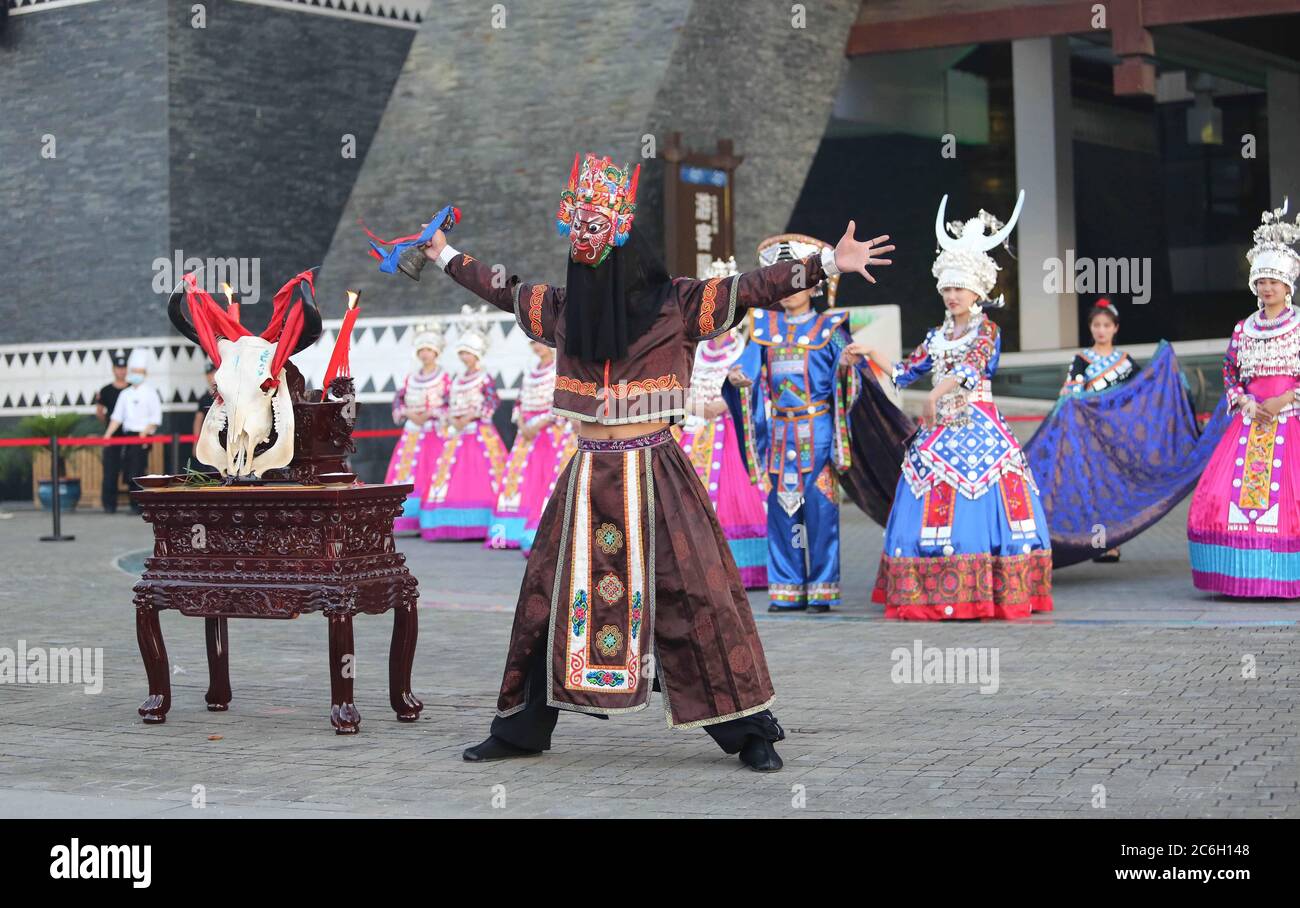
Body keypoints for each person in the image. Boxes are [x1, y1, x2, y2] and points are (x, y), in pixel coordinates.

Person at [416, 151, 893, 771]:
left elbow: (751, 287)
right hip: (588, 473)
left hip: (656, 470)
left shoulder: (678, 305)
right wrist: (445, 255)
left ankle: (749, 732)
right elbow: (502, 289)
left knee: (700, 596)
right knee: (546, 596)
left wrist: (828, 261)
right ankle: (521, 729)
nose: (590, 277)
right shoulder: (564, 310)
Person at [857, 191, 1053, 620]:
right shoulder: (935, 336)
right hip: (938, 430)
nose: (952, 295)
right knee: (926, 492)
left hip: (978, 423)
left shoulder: (988, 331)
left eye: (960, 287)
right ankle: (929, 592)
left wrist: (935, 393)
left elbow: (970, 368)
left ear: (977, 290)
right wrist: (870, 351)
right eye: (947, 287)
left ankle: (986, 591)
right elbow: (905, 371)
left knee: (986, 496)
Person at [726, 238, 866, 609]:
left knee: (820, 510)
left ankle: (821, 586)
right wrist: (739, 377)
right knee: (783, 508)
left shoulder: (830, 328)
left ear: (815, 285)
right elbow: (747, 369)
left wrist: (849, 368)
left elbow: (850, 375)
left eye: (797, 282)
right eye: (783, 283)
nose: (789, 291)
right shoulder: (764, 330)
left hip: (819, 431)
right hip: (780, 434)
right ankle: (787, 587)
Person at [1187, 201, 1300, 598]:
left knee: (1290, 501)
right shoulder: (1243, 329)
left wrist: (1286, 398)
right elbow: (1230, 374)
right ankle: (1243, 576)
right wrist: (1245, 401)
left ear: (1288, 286)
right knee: (1220, 496)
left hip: (1291, 418)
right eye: (1262, 281)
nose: (1267, 287)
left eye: (1274, 281)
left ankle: (1286, 577)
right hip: (1250, 421)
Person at [678, 257, 771, 589]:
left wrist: (717, 406)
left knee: (734, 497)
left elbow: (752, 389)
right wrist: (693, 405)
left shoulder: (744, 348)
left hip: (730, 433)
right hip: (694, 430)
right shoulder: (695, 348)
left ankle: (739, 567)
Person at [1057, 298, 1139, 562]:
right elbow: (1073, 389)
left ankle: (1113, 543)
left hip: (1116, 435)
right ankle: (1099, 544)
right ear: (1090, 328)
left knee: (1114, 488)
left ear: (1115, 328)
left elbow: (1141, 392)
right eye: (1096, 325)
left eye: (1106, 325)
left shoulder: (1126, 362)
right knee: (1094, 489)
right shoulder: (1082, 359)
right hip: (1090, 435)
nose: (1101, 330)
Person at [419, 309, 507, 541]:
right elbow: (447, 401)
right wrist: (450, 417)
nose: (465, 357)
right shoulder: (458, 379)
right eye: (463, 353)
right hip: (458, 432)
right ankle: (451, 523)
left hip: (478, 432)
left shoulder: (484, 377)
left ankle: (481, 522)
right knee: (450, 475)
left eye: (468, 353)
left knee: (482, 474)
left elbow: (491, 401)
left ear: (477, 355)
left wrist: (472, 416)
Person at [488, 339, 577, 553]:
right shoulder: (530, 370)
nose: (537, 347)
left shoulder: (560, 367)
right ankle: (510, 533)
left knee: (544, 477)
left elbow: (561, 398)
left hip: (550, 432)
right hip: (526, 434)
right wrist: (521, 423)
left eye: (539, 343)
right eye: (532, 343)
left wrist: (540, 422)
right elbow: (519, 401)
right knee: (519, 479)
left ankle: (536, 527)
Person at [386, 328, 452, 534]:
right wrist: (406, 412)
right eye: (422, 349)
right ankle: (408, 520)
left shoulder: (445, 377)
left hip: (435, 432)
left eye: (429, 350)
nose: (425, 354)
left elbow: (451, 402)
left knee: (433, 471)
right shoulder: (410, 378)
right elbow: (399, 399)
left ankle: (430, 518)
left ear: (436, 353)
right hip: (413, 432)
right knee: (407, 472)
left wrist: (433, 413)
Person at [102, 349, 163, 514]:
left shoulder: (150, 393)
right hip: (128, 436)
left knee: (137, 468)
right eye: (134, 371)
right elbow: (117, 417)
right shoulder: (125, 394)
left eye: (139, 372)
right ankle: (127, 503)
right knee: (127, 468)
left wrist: (146, 432)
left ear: (145, 373)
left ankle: (137, 505)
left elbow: (155, 418)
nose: (136, 374)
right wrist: (107, 434)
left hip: (142, 436)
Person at [94, 353, 130, 513]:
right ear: (113, 370)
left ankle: (134, 504)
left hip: (130, 434)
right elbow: (100, 412)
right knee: (110, 470)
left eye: (123, 368)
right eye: (118, 368)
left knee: (132, 469)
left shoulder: (132, 388)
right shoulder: (106, 390)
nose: (121, 371)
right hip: (112, 436)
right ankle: (109, 504)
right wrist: (109, 426)